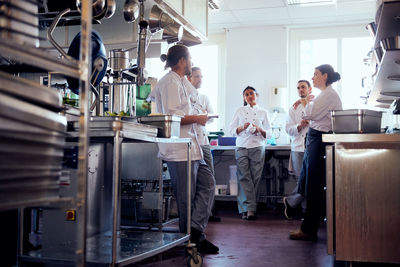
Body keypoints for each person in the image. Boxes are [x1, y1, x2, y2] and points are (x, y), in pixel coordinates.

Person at [150, 45, 219, 254]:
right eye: (189, 59)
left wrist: (201, 117)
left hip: (193, 146)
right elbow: (173, 117)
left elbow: (190, 106)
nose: (191, 62)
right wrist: (198, 118)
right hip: (178, 149)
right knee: (185, 198)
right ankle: (188, 242)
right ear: (181, 61)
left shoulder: (181, 81)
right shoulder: (170, 82)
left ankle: (195, 232)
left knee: (208, 184)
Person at [289, 64, 342, 241]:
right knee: (306, 180)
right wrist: (308, 102)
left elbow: (309, 115)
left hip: (319, 139)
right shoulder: (323, 95)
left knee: (313, 185)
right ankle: (297, 209)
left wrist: (305, 102)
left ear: (325, 76)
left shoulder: (328, 95)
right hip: (314, 139)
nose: (312, 78)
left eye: (315, 74)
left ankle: (308, 228)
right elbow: (310, 113)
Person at [229, 86, 271, 220]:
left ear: (256, 95)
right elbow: (231, 130)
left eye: (251, 93)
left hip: (257, 146)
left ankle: (248, 208)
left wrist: (260, 129)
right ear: (244, 98)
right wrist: (242, 128)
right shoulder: (239, 111)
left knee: (255, 177)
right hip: (242, 146)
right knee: (243, 176)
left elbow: (270, 133)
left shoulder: (264, 112)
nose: (249, 96)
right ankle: (249, 209)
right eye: (246, 94)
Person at [187, 67, 221, 222]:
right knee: (193, 180)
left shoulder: (204, 97)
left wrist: (203, 116)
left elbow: (212, 117)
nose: (199, 79)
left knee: (209, 177)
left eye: (201, 76)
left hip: (203, 142)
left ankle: (209, 211)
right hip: (189, 142)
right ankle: (193, 213)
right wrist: (197, 117)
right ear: (189, 78)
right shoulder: (184, 97)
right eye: (196, 76)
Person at [283, 80, 312, 219]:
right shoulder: (293, 108)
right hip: (297, 147)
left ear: (309, 89)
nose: (300, 90)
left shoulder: (315, 103)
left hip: (311, 146)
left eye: (303, 87)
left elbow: (320, 122)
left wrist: (309, 122)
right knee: (302, 180)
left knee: (309, 180)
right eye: (298, 88)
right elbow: (288, 128)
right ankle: (305, 211)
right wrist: (299, 126)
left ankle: (290, 201)